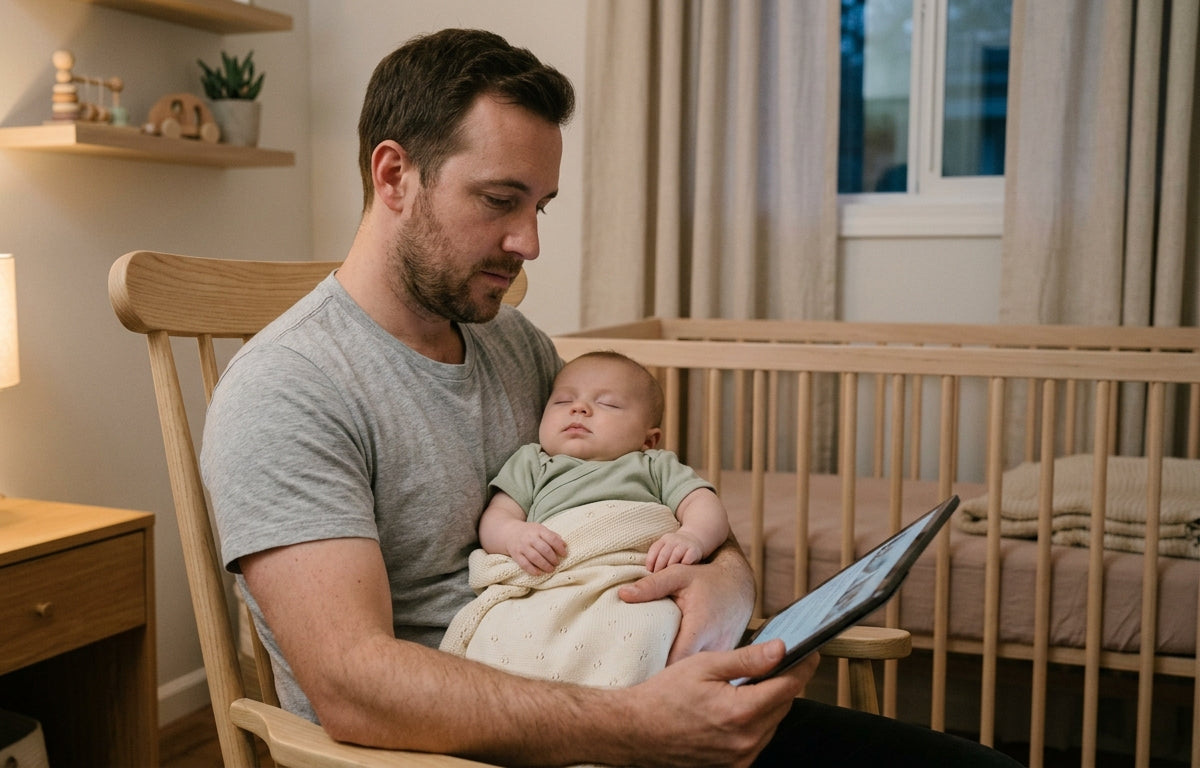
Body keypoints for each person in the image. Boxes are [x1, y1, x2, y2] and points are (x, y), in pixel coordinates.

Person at [201, 27, 1022, 767]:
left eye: (540, 206)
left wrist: (718, 586)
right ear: (394, 175)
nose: (528, 243)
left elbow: (646, 495)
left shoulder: (511, 344)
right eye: (500, 201)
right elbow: (354, 685)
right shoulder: (288, 389)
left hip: (616, 702)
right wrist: (638, 723)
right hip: (465, 751)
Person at [478, 350, 731, 576]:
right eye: (563, 401)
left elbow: (704, 504)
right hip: (556, 576)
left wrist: (692, 536)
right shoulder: (531, 462)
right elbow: (496, 517)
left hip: (633, 572)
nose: (579, 408)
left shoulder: (655, 465)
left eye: (607, 403)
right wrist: (513, 534)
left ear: (649, 440)